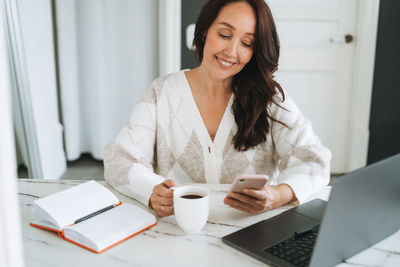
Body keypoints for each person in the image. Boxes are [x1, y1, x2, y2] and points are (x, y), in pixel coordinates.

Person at [104, 0, 331, 217]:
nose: (231, 52)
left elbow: (314, 161)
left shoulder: (269, 99)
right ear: (205, 30)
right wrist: (152, 191)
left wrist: (277, 195)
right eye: (224, 35)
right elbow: (120, 161)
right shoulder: (162, 92)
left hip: (250, 232)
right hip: (175, 230)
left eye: (246, 43)